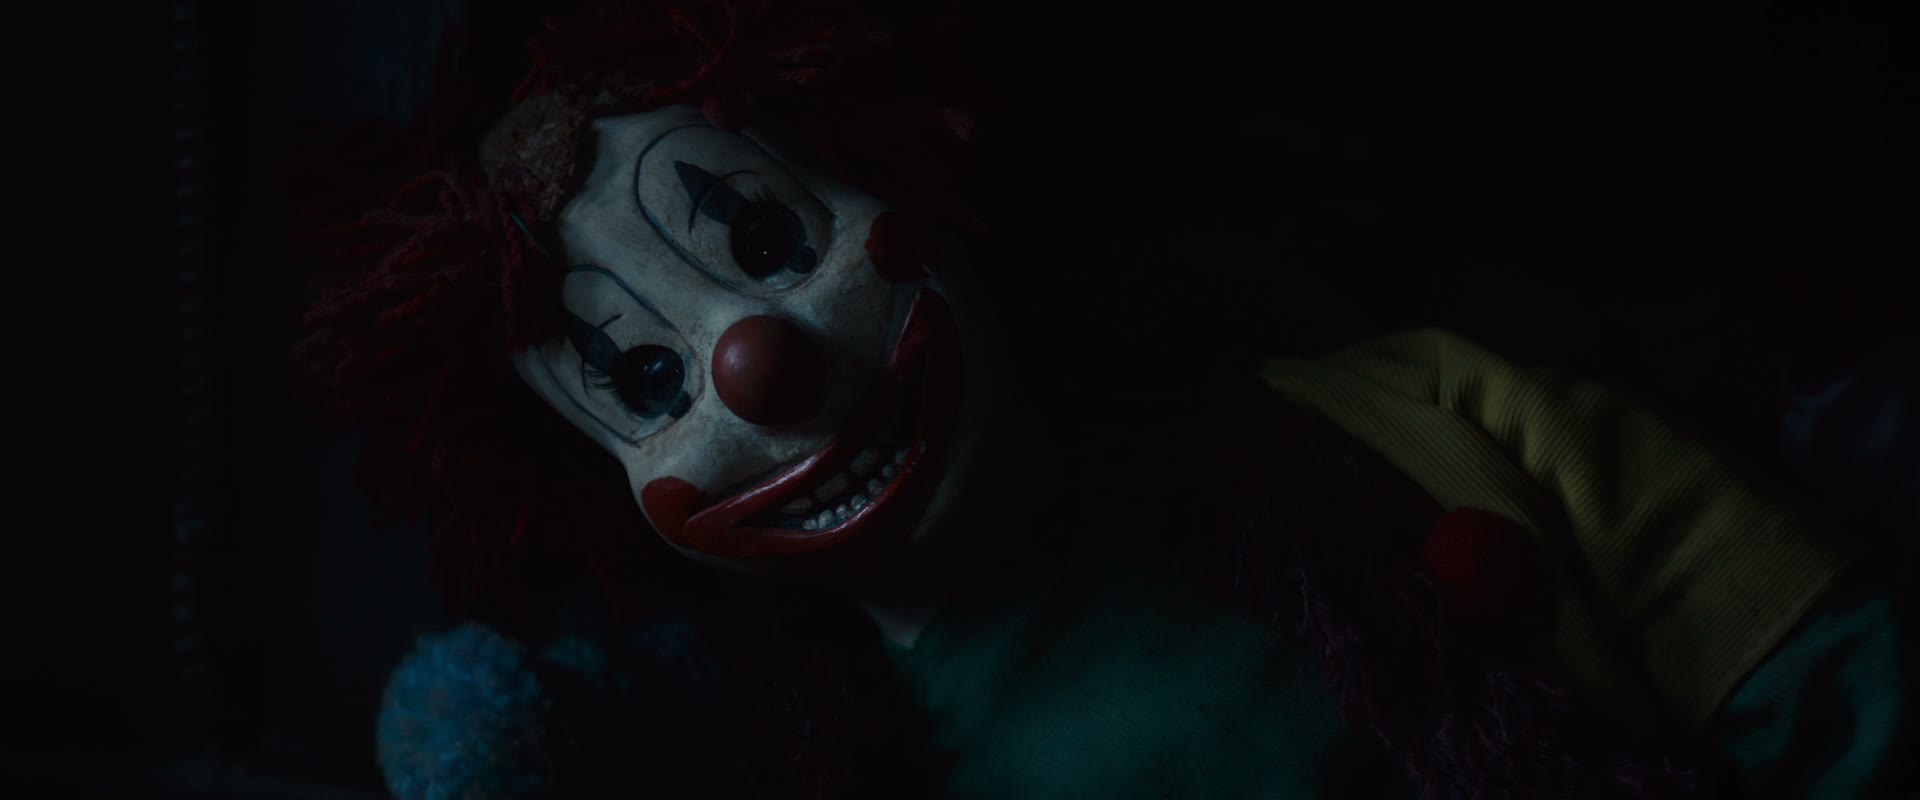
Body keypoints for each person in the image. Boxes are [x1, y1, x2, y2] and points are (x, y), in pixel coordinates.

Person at [299, 1, 1916, 796]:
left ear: (909, 173)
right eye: (649, 379)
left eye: (772, 243)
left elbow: (1815, 671)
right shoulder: (802, 749)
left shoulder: (1401, 413)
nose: (756, 363)